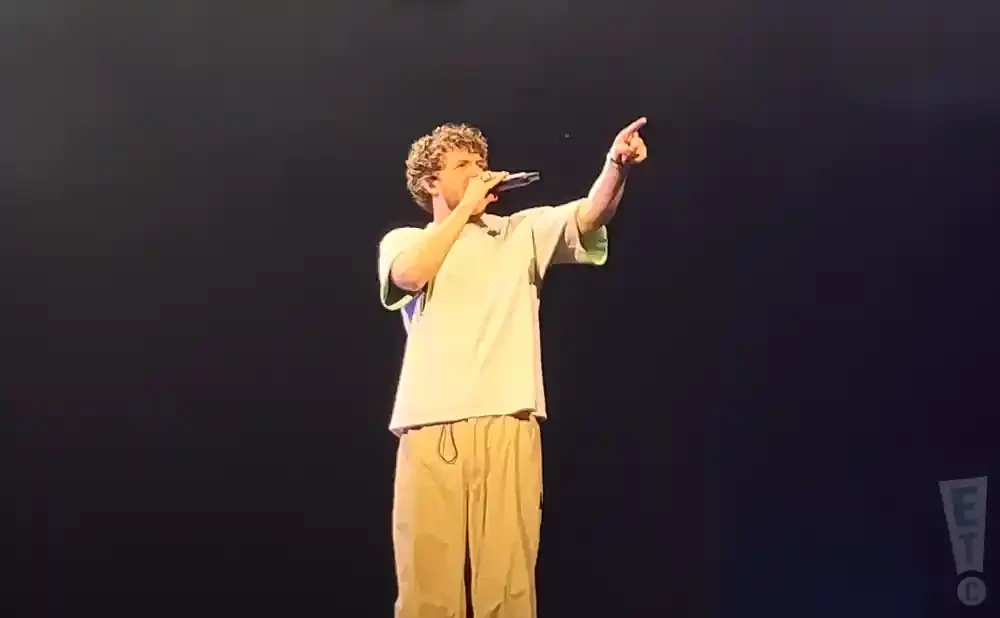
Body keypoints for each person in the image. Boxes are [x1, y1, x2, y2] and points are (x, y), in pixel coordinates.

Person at [377, 118, 648, 618]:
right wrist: (461, 216)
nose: (480, 172)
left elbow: (588, 215)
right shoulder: (403, 239)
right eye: (463, 166)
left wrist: (616, 166)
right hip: (430, 424)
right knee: (427, 591)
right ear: (430, 182)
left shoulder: (518, 232)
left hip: (509, 417)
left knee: (508, 585)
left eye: (481, 164)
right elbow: (411, 276)